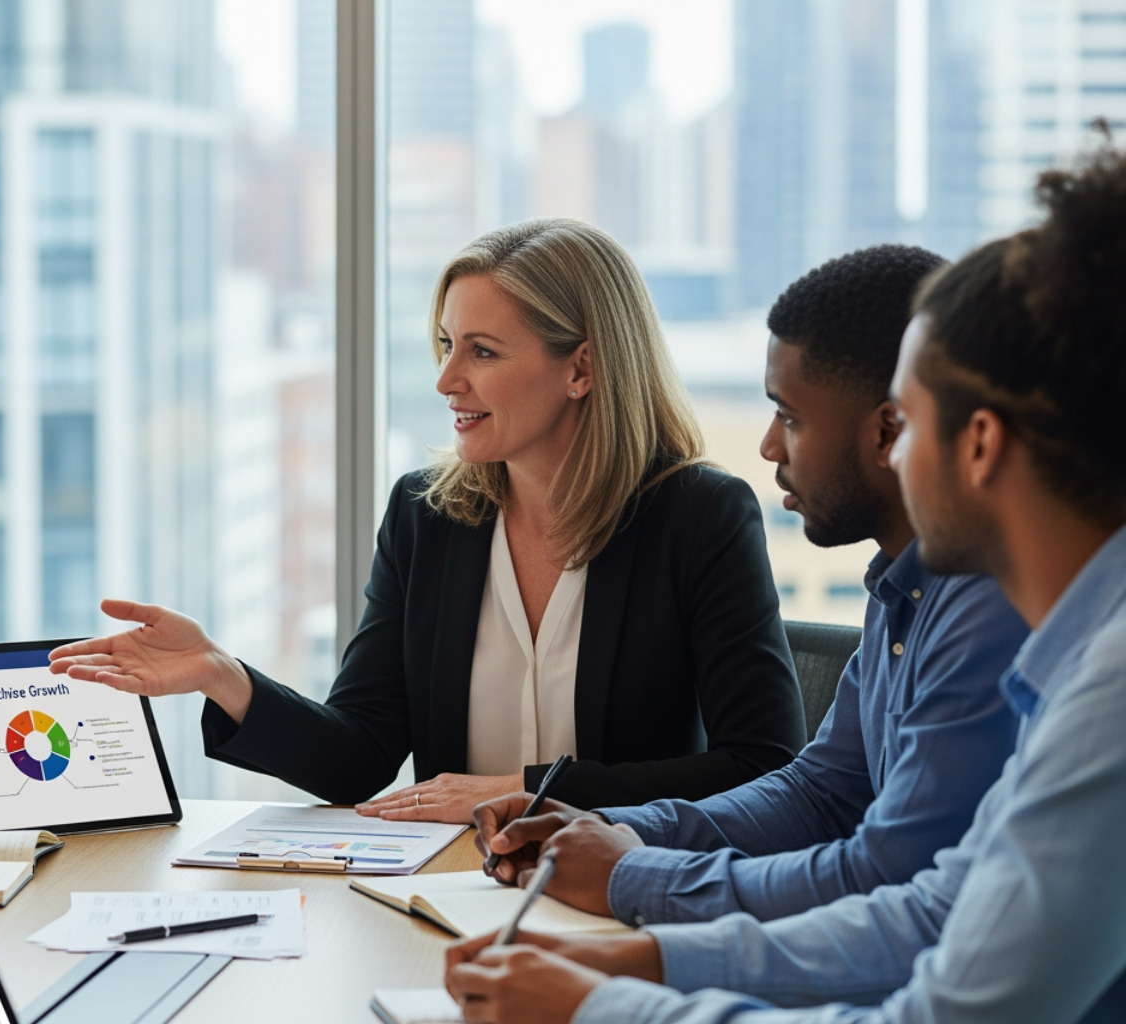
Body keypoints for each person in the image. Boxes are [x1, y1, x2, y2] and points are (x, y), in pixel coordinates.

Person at [445, 139, 1126, 1023]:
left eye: (910, 422)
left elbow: (936, 997)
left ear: (981, 444)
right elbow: (918, 900)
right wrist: (645, 951)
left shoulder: (1098, 690)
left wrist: (605, 999)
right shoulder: (954, 607)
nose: (769, 446)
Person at [51, 218, 805, 823]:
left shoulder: (700, 516)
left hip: (626, 898)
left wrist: (522, 790)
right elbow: (361, 755)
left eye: (481, 351)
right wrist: (225, 676)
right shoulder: (427, 515)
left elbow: (763, 765)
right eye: (447, 345)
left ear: (581, 368)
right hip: (446, 892)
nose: (447, 380)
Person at [472, 245, 1029, 925]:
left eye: (789, 416)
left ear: (888, 431)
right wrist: (624, 831)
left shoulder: (987, 611)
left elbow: (887, 875)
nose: (768, 445)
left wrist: (633, 881)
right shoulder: (903, 590)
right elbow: (821, 792)